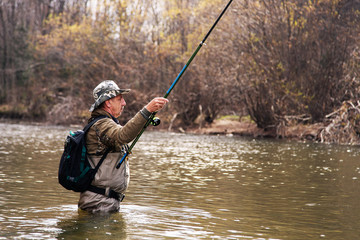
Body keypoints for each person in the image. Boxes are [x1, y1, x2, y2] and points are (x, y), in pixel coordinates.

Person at [78, 80, 168, 213]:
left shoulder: (107, 123)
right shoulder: (101, 125)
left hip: (103, 203)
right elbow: (123, 135)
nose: (124, 103)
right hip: (98, 205)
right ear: (108, 103)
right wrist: (147, 110)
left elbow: (122, 134)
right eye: (120, 99)